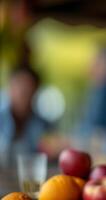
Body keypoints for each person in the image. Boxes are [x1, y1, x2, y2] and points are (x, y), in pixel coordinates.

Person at [0, 67, 53, 195]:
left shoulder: (46, 126)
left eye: (27, 88)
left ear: (36, 90)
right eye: (17, 86)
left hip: (32, 193)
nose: (21, 92)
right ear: (9, 87)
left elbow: (50, 166)